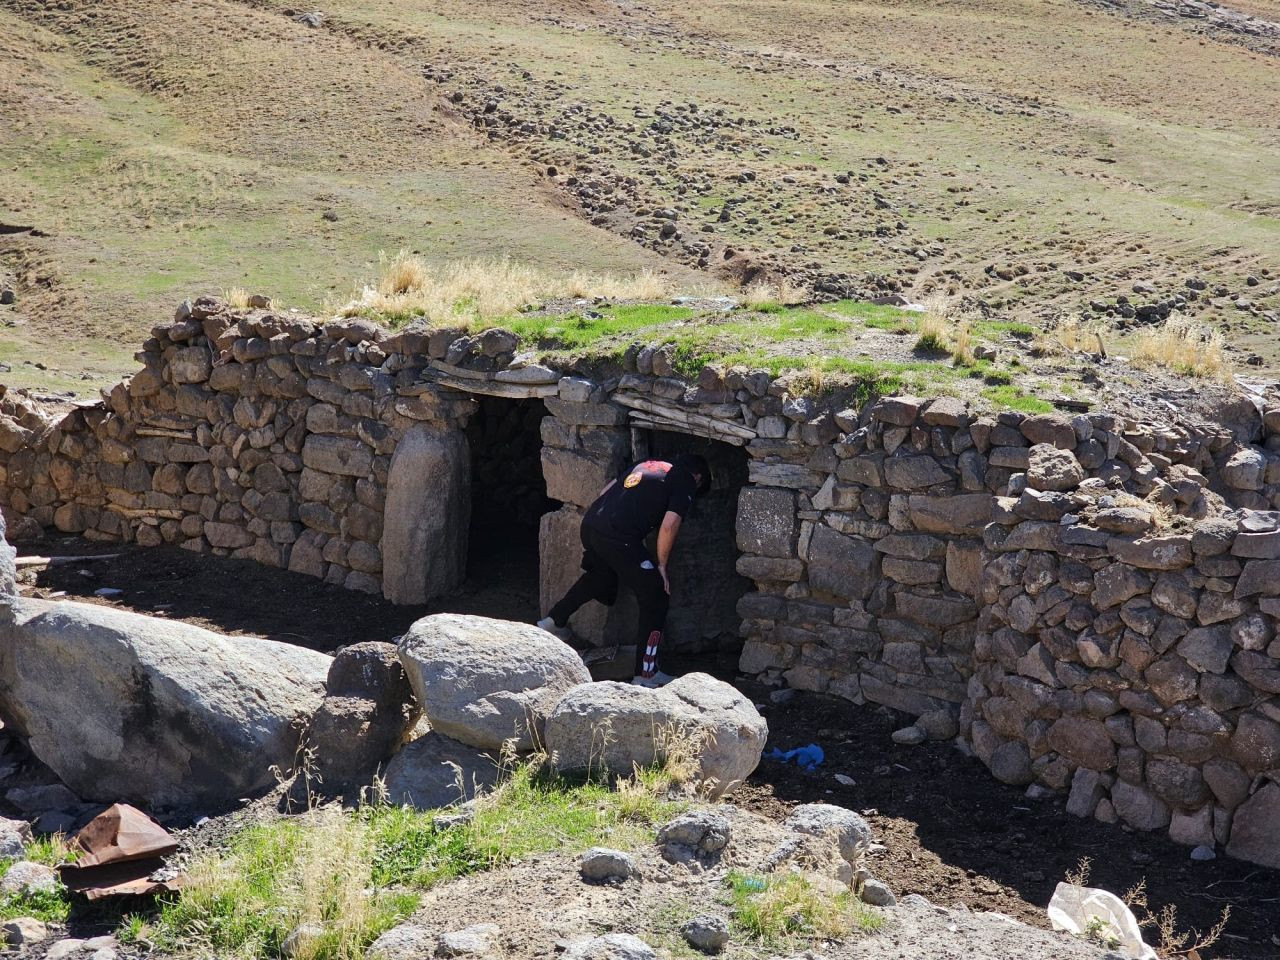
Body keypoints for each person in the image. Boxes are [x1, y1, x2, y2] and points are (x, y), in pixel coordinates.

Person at [538, 453, 711, 687]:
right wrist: (661, 565)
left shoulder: (646, 464)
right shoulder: (686, 480)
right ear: (698, 477)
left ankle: (554, 621)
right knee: (656, 594)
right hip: (619, 537)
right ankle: (646, 673)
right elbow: (670, 524)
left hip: (592, 524)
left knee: (601, 576)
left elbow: (605, 492)